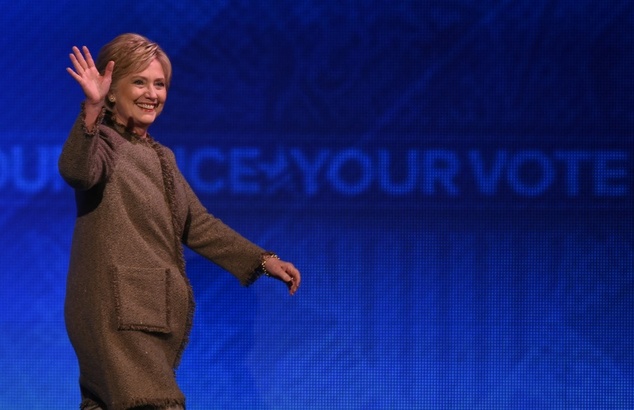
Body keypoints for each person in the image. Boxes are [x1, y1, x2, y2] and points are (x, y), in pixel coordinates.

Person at [59, 33, 301, 410]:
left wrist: (262, 260)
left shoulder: (160, 156)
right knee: (154, 402)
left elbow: (198, 224)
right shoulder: (102, 142)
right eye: (139, 81)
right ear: (110, 89)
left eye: (160, 84)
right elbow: (77, 171)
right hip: (117, 311)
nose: (152, 93)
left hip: (144, 308)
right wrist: (89, 112)